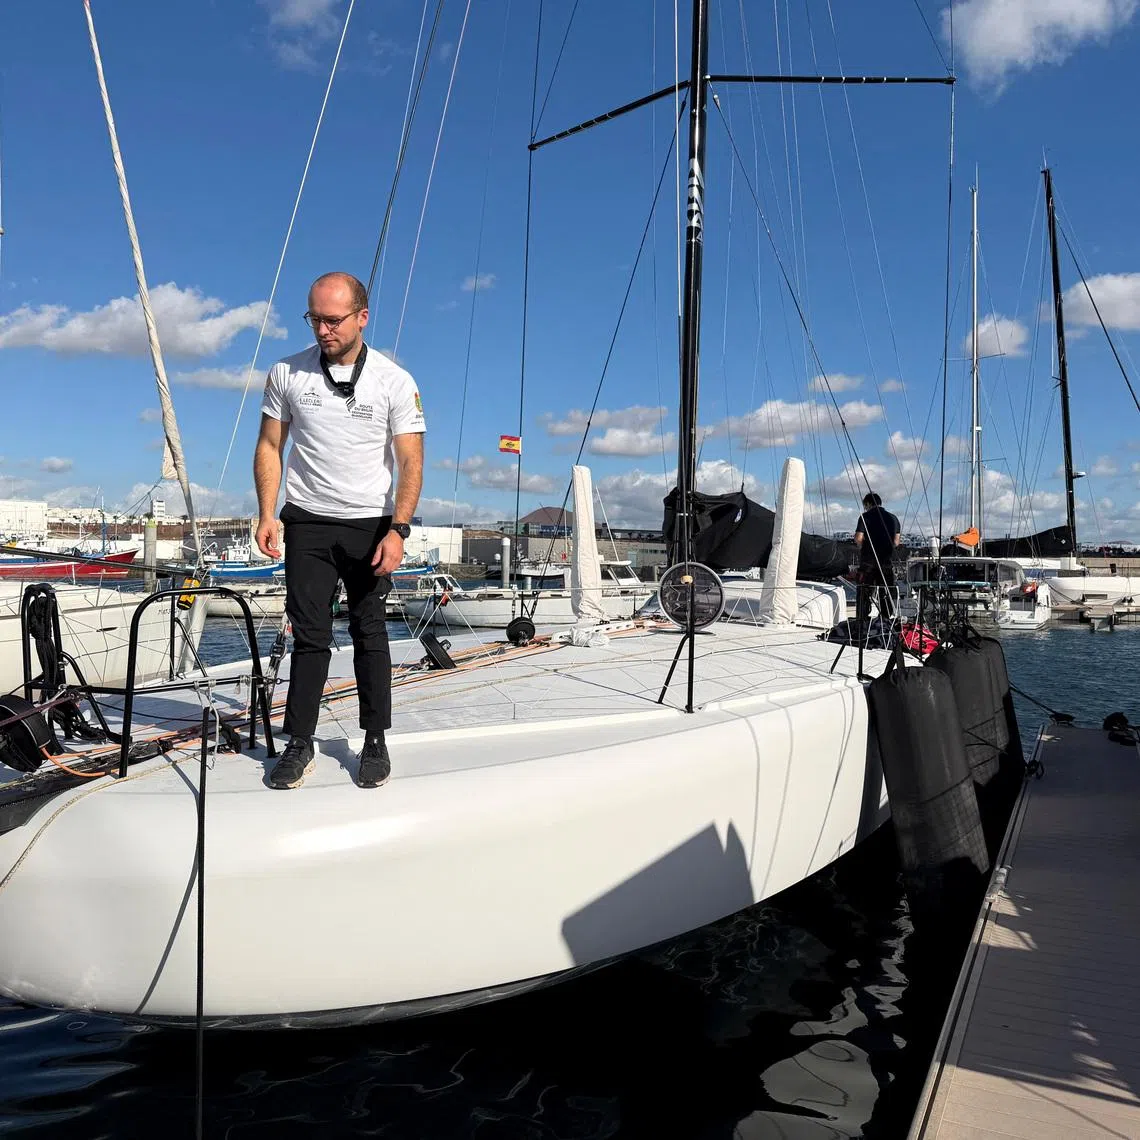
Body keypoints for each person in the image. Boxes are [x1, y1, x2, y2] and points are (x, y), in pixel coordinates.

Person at [254, 271, 425, 790]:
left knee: (370, 630)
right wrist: (266, 513)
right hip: (307, 520)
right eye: (314, 319)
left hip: (370, 524)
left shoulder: (395, 381)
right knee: (309, 635)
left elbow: (411, 460)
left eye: (333, 320)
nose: (322, 330)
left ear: (362, 317)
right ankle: (299, 742)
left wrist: (399, 530)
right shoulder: (287, 373)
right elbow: (270, 446)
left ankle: (374, 739)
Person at [854, 492, 901, 623]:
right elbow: (896, 542)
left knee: (864, 592)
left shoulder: (865, 517)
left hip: (868, 562)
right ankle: (886, 620)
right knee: (885, 592)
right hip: (886, 561)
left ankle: (862, 621)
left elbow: (858, 538)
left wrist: (864, 547)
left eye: (865, 506)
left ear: (868, 504)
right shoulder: (893, 518)